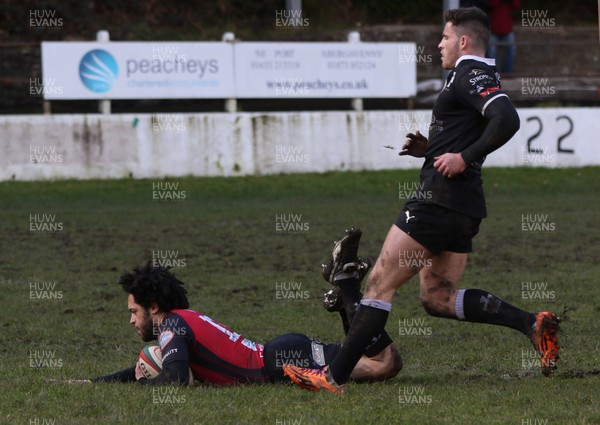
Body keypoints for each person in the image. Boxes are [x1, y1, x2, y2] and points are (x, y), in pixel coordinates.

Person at [283, 7, 560, 394]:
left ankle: (332, 378)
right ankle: (531, 323)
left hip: (436, 203)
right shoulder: (471, 75)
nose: (439, 44)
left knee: (379, 284)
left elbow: (507, 118)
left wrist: (462, 157)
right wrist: (433, 150)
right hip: (463, 207)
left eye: (444, 38)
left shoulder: (469, 72)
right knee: (437, 297)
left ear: (463, 40)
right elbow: (474, 129)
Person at [88, 261, 402, 386]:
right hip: (284, 354)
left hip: (282, 365)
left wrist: (146, 385)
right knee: (376, 360)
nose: (131, 320)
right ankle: (347, 301)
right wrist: (92, 383)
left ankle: (347, 286)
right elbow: (151, 367)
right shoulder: (182, 322)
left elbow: (177, 377)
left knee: (385, 364)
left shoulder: (172, 326)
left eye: (133, 311)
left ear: (153, 307)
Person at [486, 0, 520, 74]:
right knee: (492, 51)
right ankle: (495, 73)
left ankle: (508, 72)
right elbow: (490, 4)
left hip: (507, 26)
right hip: (493, 26)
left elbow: (516, 5)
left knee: (511, 49)